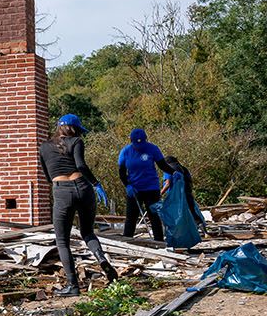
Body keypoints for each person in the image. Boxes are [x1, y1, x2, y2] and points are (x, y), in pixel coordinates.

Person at [39, 115, 118, 297]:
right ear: (75, 129)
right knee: (87, 232)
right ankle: (101, 258)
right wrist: (96, 184)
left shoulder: (44, 147)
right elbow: (81, 166)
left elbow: (47, 177)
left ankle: (73, 286)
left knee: (62, 240)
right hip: (83, 187)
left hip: (62, 191)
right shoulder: (77, 142)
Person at [117, 128, 174, 240]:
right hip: (134, 189)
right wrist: (127, 185)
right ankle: (127, 241)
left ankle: (159, 241)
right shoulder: (126, 151)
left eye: (142, 142)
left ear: (145, 140)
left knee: (154, 216)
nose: (139, 146)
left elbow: (162, 165)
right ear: (131, 140)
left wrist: (174, 172)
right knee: (131, 217)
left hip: (151, 189)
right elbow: (122, 172)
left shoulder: (153, 149)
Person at [161, 155, 207, 228]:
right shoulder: (183, 169)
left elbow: (167, 184)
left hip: (174, 196)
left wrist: (160, 193)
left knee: (166, 212)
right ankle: (203, 228)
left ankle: (169, 232)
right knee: (192, 212)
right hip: (187, 193)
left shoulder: (168, 169)